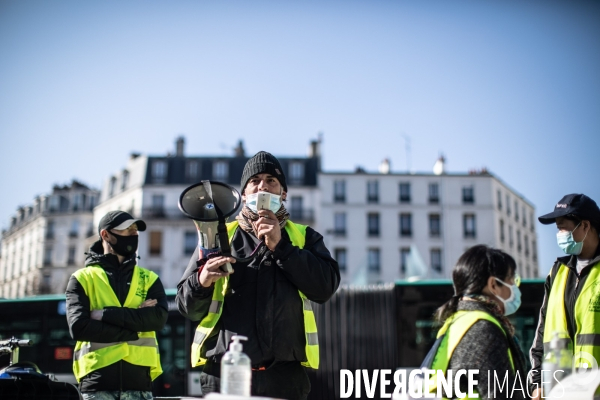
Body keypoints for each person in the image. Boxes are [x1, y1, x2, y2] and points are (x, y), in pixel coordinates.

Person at [177, 151, 340, 400]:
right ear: (243, 194)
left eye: (271, 181)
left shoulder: (305, 237)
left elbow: (325, 288)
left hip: (286, 378)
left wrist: (281, 246)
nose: (263, 185)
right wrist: (202, 281)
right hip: (225, 375)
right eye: (254, 181)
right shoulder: (219, 236)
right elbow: (187, 307)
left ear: (283, 193)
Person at [65, 211, 168, 400]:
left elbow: (158, 319)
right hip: (97, 384)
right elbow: (79, 327)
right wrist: (133, 329)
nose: (133, 235)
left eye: (135, 231)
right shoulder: (82, 279)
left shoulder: (149, 278)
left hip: (140, 385)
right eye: (127, 230)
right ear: (105, 235)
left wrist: (105, 314)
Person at [424, 245, 527, 400]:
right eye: (512, 278)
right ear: (493, 285)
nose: (515, 285)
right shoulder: (484, 329)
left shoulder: (457, 321)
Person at [529, 193, 600, 399]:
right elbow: (542, 334)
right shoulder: (557, 272)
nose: (559, 234)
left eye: (562, 227)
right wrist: (536, 382)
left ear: (585, 226)